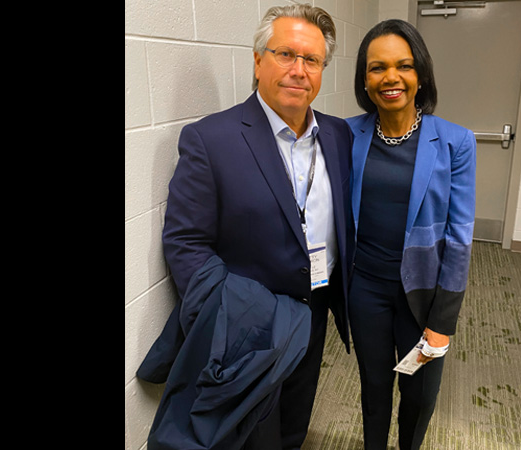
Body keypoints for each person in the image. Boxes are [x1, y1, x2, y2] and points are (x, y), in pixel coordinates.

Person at [140, 4, 353, 449]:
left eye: (311, 60)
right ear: (258, 61)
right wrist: (229, 316)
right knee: (250, 436)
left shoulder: (337, 135)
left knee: (295, 423)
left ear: (323, 70)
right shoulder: (211, 139)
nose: (298, 70)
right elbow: (185, 242)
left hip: (312, 315)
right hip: (248, 328)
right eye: (285, 54)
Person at [346, 19, 477, 450]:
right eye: (377, 67)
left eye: (403, 66)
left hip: (423, 296)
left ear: (420, 74)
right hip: (365, 288)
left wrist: (443, 323)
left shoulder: (455, 142)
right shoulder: (347, 134)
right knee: (374, 389)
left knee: (419, 397)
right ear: (365, 80)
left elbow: (459, 238)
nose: (390, 78)